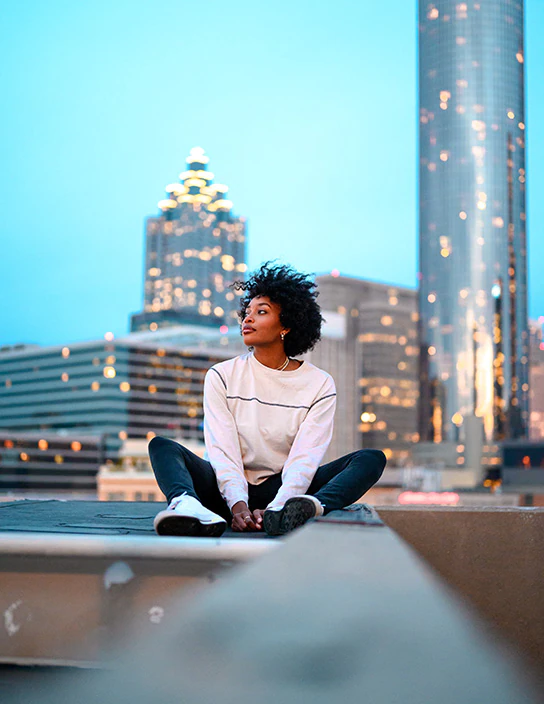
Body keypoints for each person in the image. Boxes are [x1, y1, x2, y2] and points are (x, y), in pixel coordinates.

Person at [149, 262, 386, 537]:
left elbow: (304, 459)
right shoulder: (222, 375)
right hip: (224, 493)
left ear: (286, 325)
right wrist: (238, 506)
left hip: (285, 492)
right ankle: (187, 506)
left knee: (371, 459)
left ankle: (309, 508)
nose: (247, 319)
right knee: (162, 447)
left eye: (261, 312)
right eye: (246, 313)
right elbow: (222, 451)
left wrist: (280, 505)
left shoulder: (319, 384)